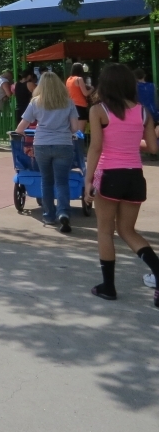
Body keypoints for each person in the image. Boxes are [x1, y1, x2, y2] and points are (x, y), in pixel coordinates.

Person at [84, 63, 159, 305]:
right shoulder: (143, 111)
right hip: (135, 176)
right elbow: (153, 148)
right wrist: (128, 141)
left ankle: (108, 287)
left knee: (105, 231)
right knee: (128, 230)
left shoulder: (99, 110)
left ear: (104, 85)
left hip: (109, 175)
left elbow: (96, 147)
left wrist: (87, 179)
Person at [15, 72, 78, 232]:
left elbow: (21, 128)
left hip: (42, 145)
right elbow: (75, 129)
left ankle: (49, 215)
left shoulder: (36, 102)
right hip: (64, 145)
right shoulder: (68, 102)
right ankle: (63, 213)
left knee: (46, 180)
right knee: (62, 181)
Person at [66, 63, 91, 134]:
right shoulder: (79, 79)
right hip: (80, 106)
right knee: (80, 133)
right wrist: (92, 89)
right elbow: (85, 93)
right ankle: (79, 145)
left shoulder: (69, 79)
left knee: (73, 132)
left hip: (71, 106)